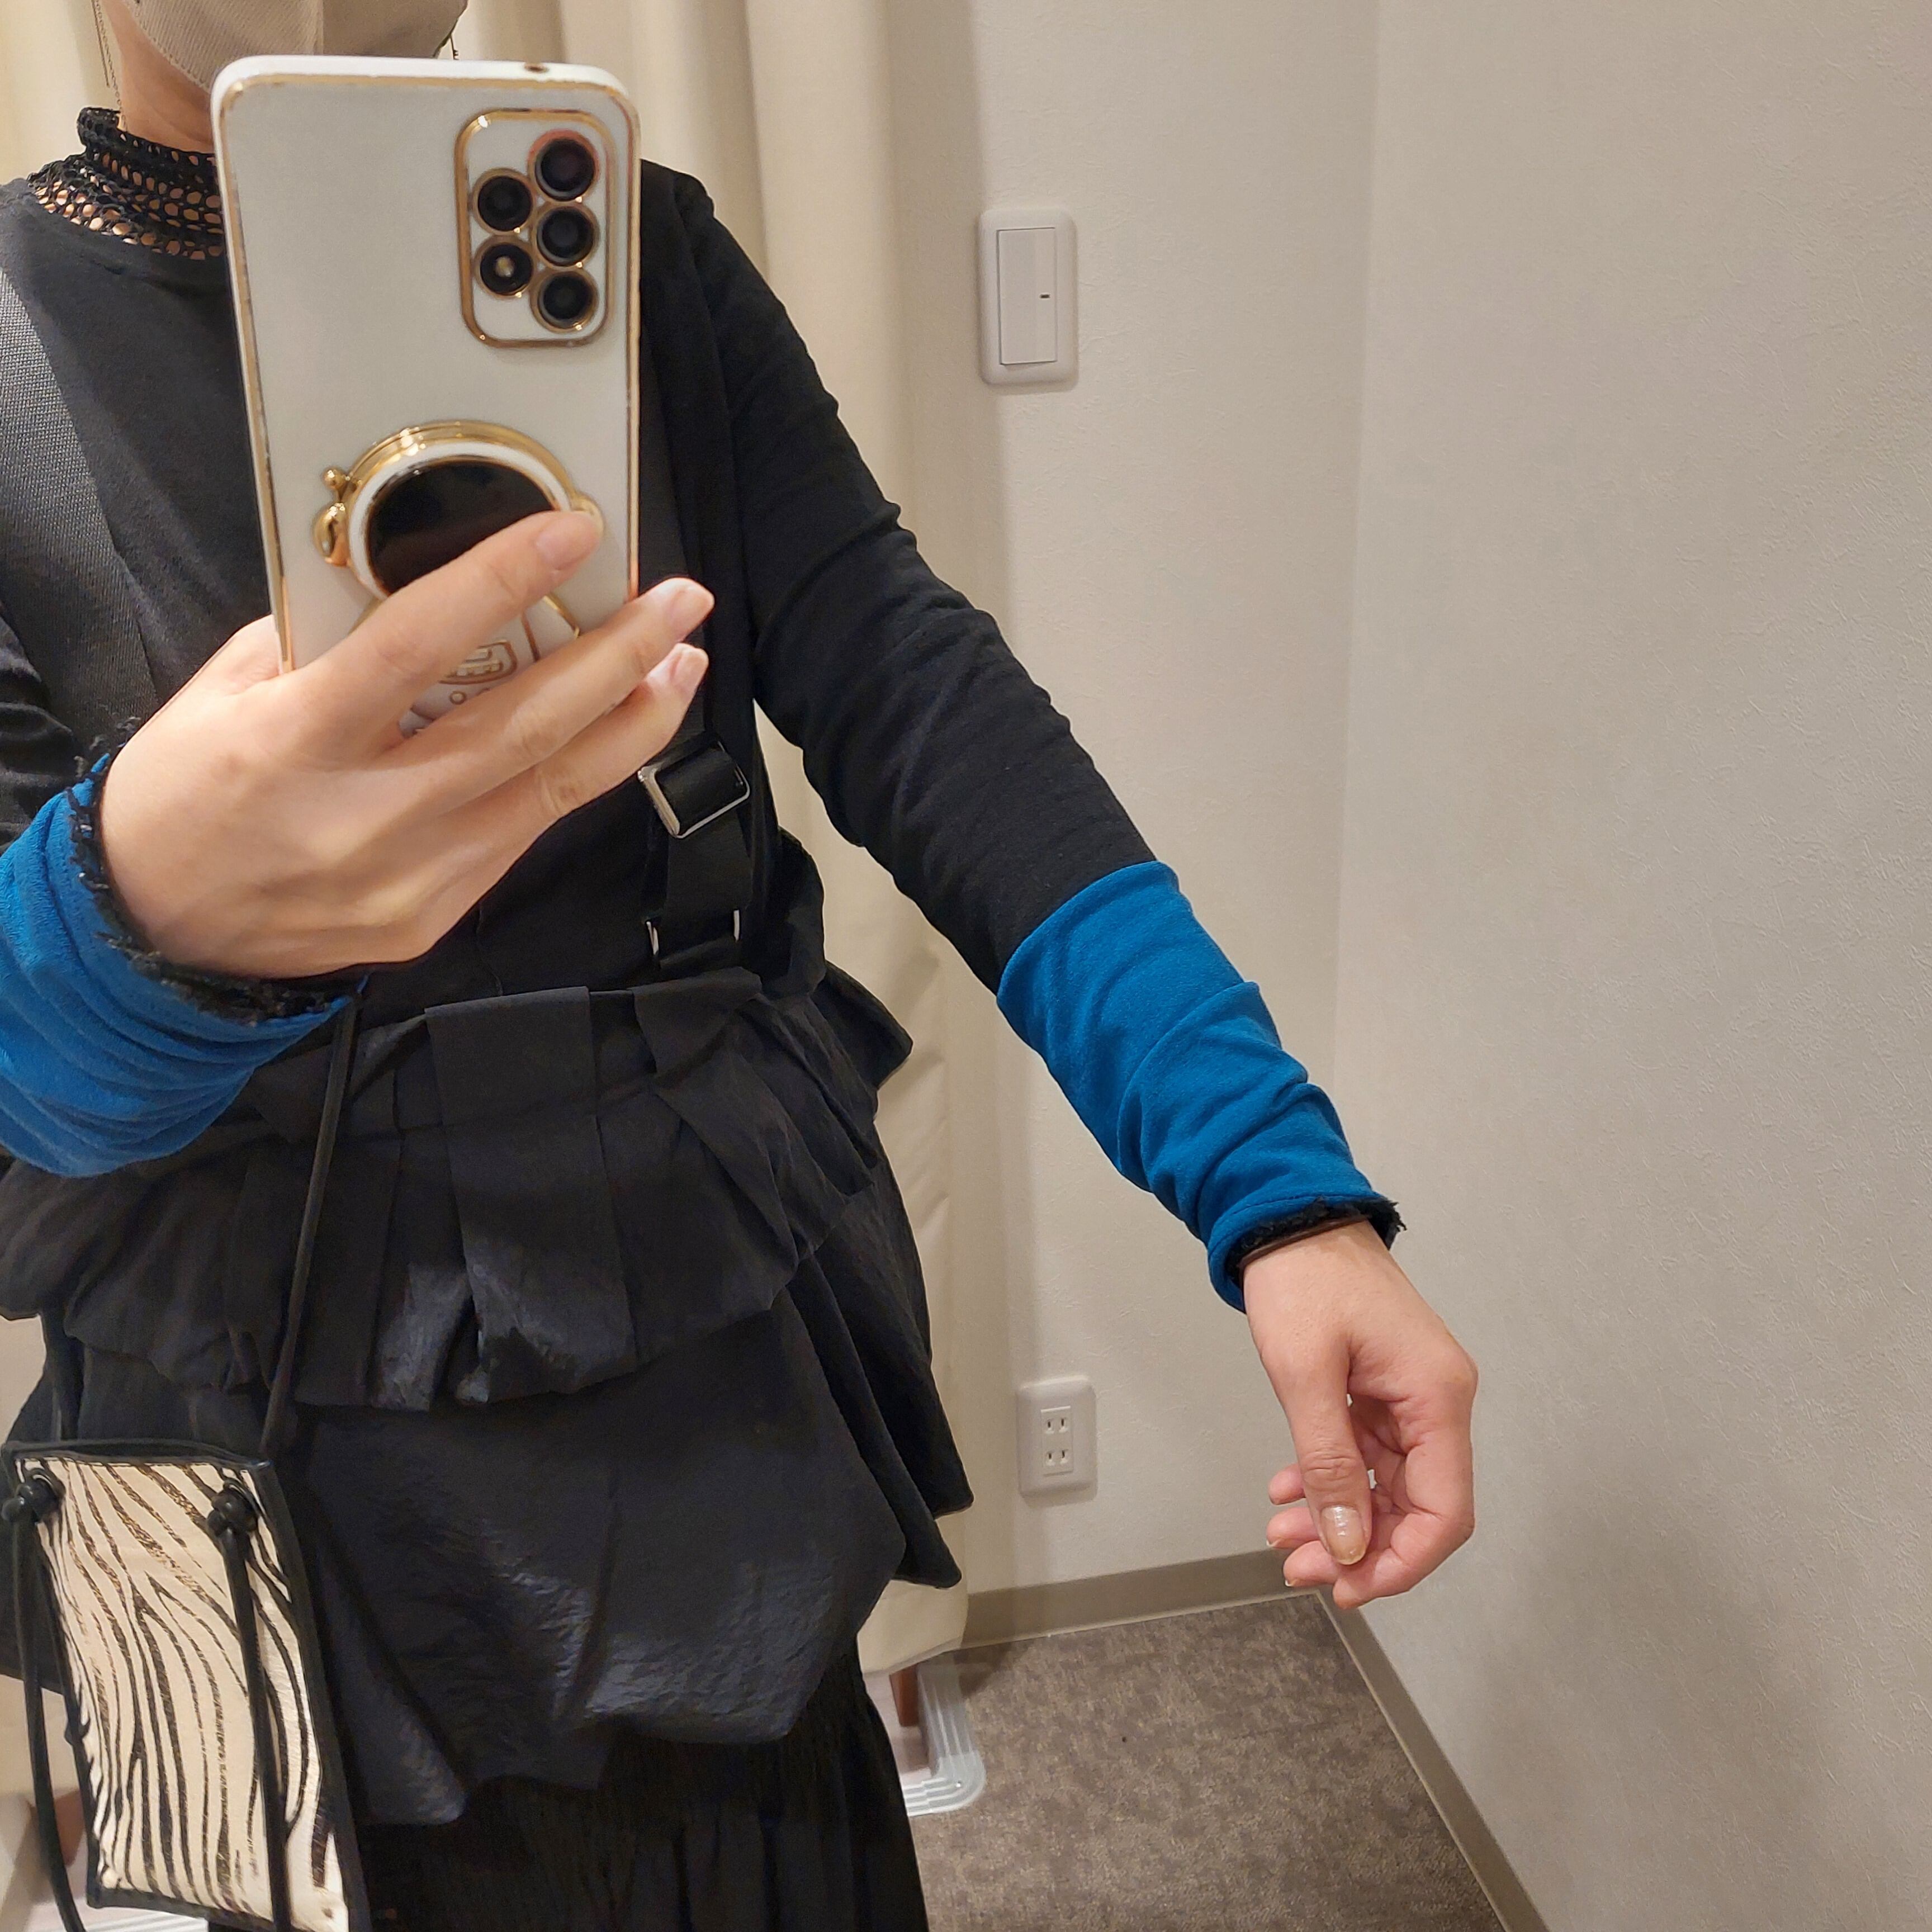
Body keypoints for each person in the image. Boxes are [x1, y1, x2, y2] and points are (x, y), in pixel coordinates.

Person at [0, 2, 1479, 1926]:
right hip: (256, 1440)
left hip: (691, 1369)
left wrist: (1278, 1187)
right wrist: (131, 910)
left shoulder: (643, 257)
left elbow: (917, 695)